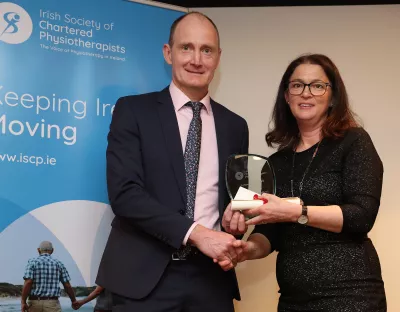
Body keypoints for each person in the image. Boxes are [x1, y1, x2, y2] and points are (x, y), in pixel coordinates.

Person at [96, 11, 249, 312]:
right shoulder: (133, 111)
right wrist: (197, 234)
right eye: (186, 48)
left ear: (218, 58)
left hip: (211, 281)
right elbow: (124, 194)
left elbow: (236, 199)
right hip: (141, 281)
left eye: (206, 50)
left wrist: (238, 220)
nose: (196, 59)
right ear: (168, 53)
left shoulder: (235, 126)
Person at [222, 54, 386, 311]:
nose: (306, 93)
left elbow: (362, 216)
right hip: (292, 300)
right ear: (287, 96)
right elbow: (272, 233)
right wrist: (247, 250)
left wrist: (297, 211)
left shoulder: (354, 141)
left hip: (351, 296)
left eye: (317, 85)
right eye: (297, 85)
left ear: (332, 97)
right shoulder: (277, 162)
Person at [21, 241, 77, 312]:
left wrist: (23, 301)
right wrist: (73, 301)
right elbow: (67, 285)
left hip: (34, 303)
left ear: (38, 250)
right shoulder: (59, 264)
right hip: (52, 304)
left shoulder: (32, 262)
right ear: (52, 250)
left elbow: (28, 282)